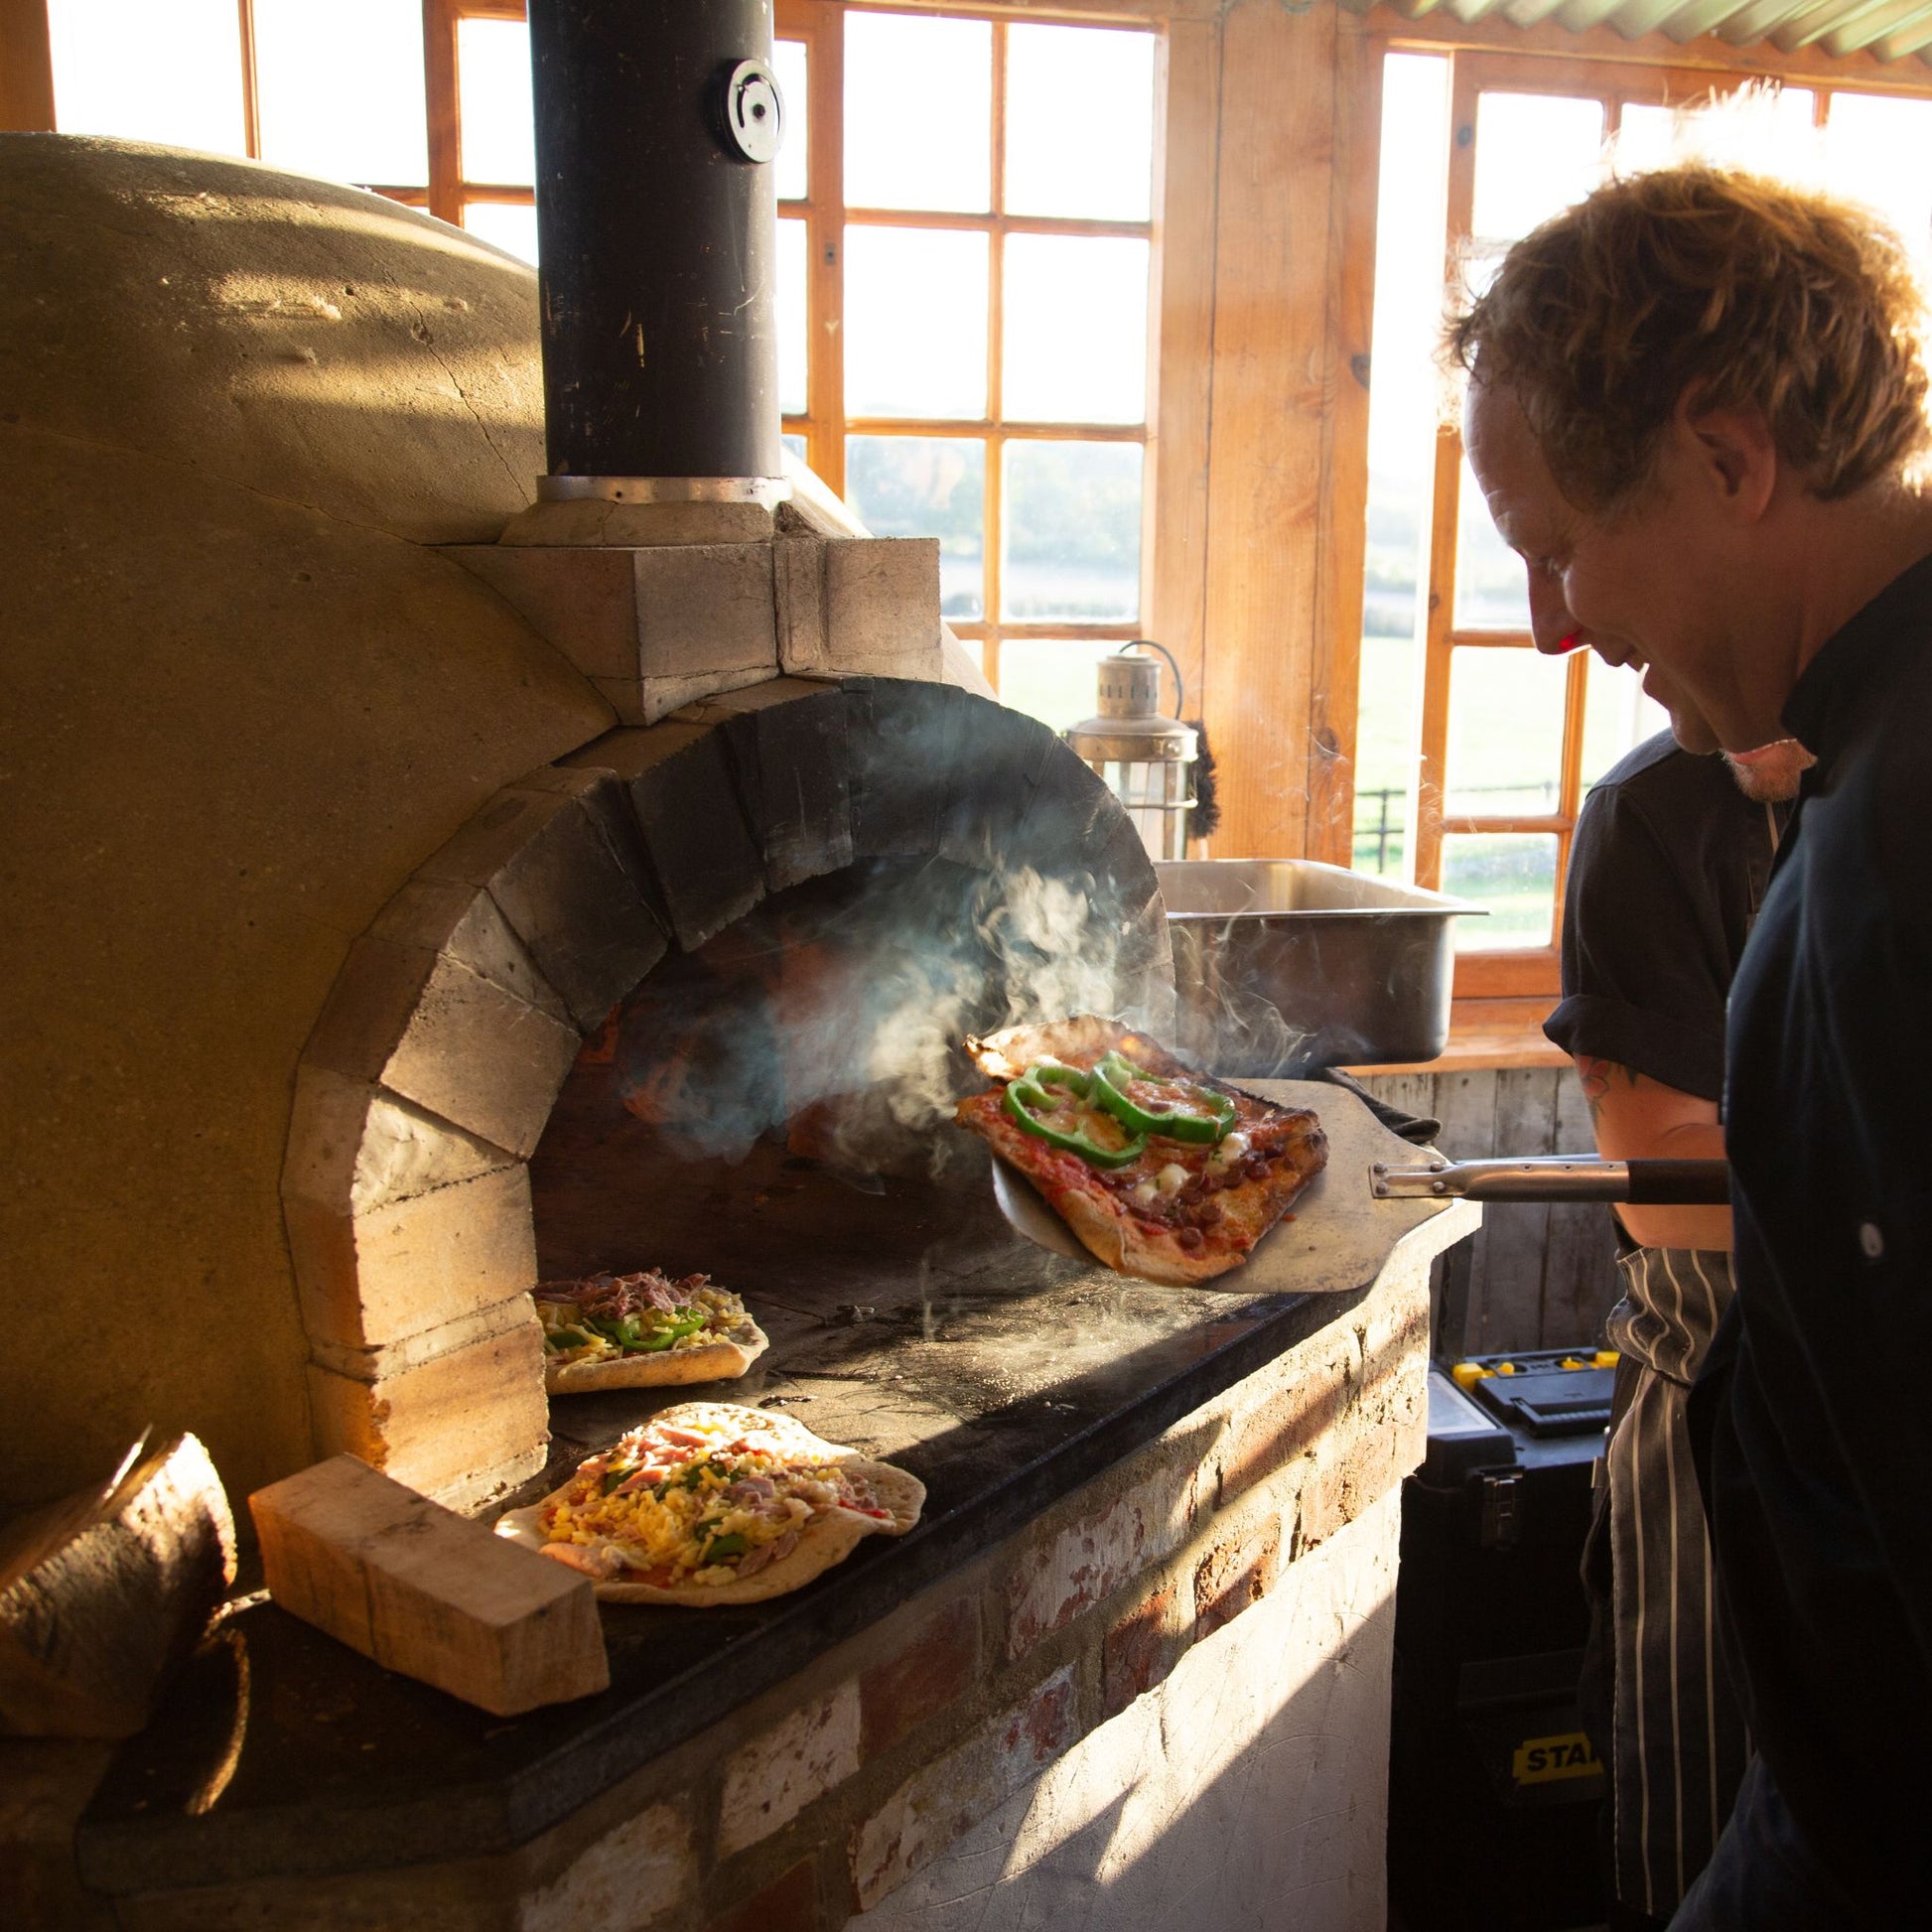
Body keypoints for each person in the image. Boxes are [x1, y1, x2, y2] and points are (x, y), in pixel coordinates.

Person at [1449, 164, 1932, 1926]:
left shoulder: (1904, 838)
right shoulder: (1845, 753)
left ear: (1731, 462)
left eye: (1557, 544)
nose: (1551, 627)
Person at [1547, 728, 1808, 1928]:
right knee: (1707, 1860)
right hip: (1718, 1409)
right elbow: (1660, 1184)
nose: (1572, 632)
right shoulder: (1646, 814)